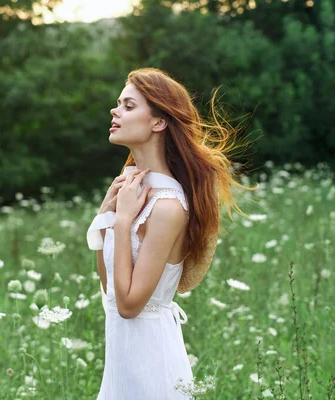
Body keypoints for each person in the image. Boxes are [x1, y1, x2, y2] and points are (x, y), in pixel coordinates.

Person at [86, 67, 258, 399]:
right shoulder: (131, 190)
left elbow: (130, 305)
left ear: (159, 122)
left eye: (129, 105)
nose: (114, 110)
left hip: (152, 363)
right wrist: (105, 216)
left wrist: (122, 223)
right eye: (118, 103)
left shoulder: (168, 206)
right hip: (122, 361)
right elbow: (110, 290)